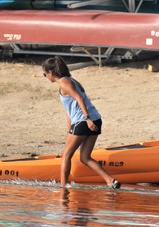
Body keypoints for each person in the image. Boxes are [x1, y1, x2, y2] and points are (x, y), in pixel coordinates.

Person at [42, 56, 121, 189]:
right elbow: (69, 110)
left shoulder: (64, 83)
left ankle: (63, 189)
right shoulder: (71, 81)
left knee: (66, 156)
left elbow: (79, 99)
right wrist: (70, 130)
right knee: (85, 157)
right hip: (94, 119)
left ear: (51, 72)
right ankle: (110, 181)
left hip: (85, 121)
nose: (45, 76)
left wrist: (87, 119)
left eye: (44, 74)